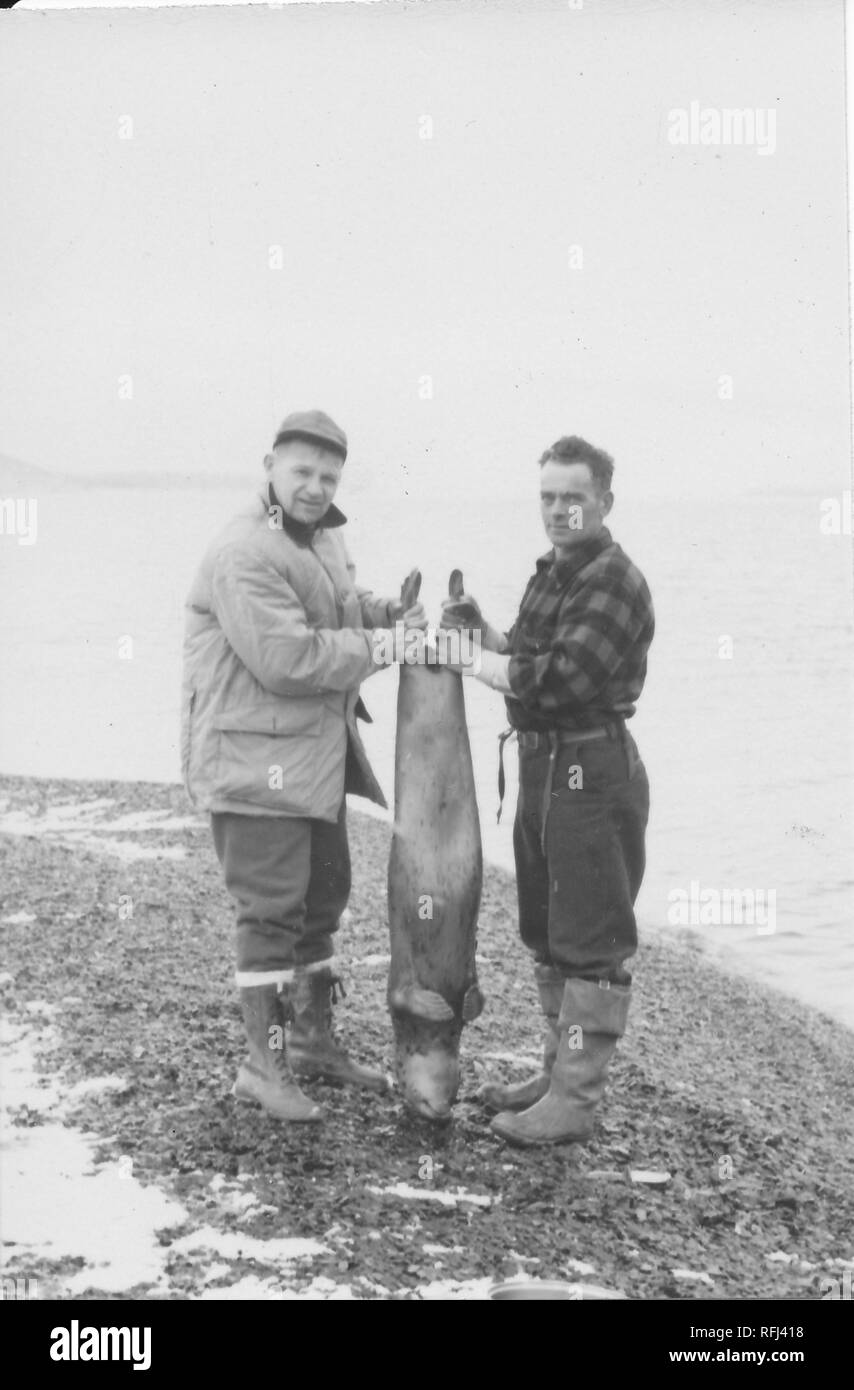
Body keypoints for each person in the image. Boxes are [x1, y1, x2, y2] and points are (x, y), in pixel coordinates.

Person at [181, 409, 426, 1123]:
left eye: (328, 476)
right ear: (269, 466)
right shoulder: (243, 552)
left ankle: (313, 1042)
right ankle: (263, 1064)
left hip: (312, 759)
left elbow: (334, 608)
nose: (316, 487)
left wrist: (385, 613)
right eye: (302, 473)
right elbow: (288, 659)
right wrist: (387, 649)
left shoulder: (322, 535)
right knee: (269, 912)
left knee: (322, 898)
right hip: (254, 765)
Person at [441, 434, 654, 1147]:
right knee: (550, 931)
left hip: (590, 771)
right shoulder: (556, 569)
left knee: (590, 937)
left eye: (574, 498)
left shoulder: (615, 580)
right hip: (542, 767)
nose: (560, 510)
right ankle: (555, 1073)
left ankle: (576, 1100)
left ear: (604, 502)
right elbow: (534, 659)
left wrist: (476, 664)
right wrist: (491, 638)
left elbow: (563, 679)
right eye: (549, 497)